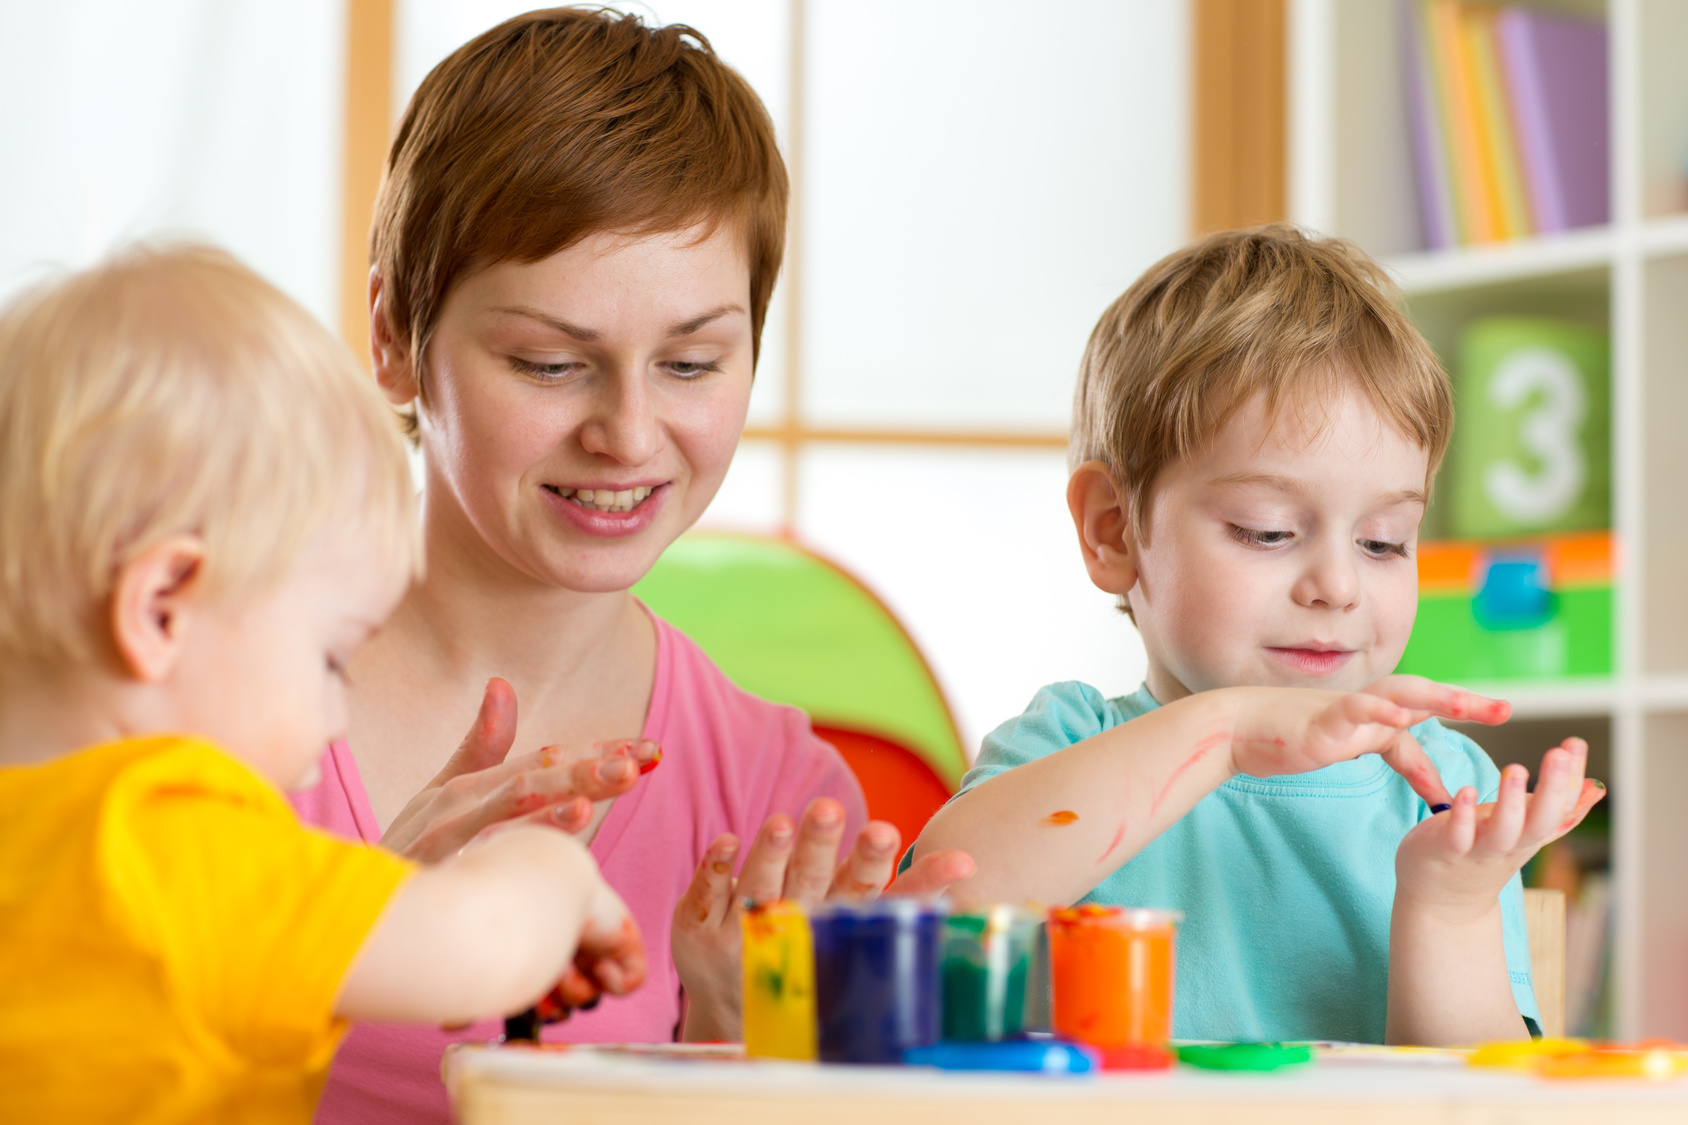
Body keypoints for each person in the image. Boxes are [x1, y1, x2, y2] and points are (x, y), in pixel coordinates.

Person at [287, 9, 970, 1120]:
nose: (630, 433)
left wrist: (726, 1063)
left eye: (692, 361)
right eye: (551, 363)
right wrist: (327, 957)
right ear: (395, 338)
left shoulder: (784, 810)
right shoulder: (199, 721)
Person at [912, 225, 1605, 1046]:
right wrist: (1228, 733)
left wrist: (1449, 906)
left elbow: (1478, 1095)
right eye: (1268, 530)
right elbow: (936, 909)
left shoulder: (1441, 785)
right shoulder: (1071, 743)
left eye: (1383, 540)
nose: (1339, 585)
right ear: (1113, 530)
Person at [0, 245, 646, 1122]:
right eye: (329, 658)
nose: (334, 711)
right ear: (160, 609)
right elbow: (482, 940)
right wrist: (548, 871)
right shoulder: (166, 841)